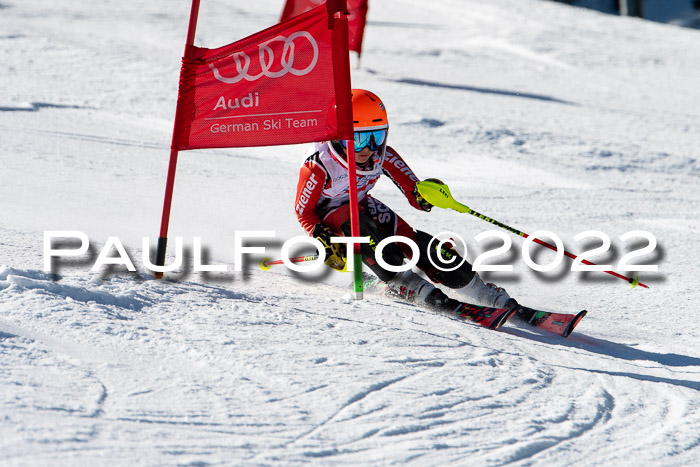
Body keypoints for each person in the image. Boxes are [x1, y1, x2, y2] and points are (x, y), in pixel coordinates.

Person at [294, 89, 518, 312]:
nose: (368, 149)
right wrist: (320, 235)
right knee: (364, 231)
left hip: (362, 203)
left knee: (415, 242)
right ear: (336, 135)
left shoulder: (383, 155)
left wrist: (426, 196)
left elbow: (414, 192)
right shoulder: (319, 166)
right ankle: (403, 282)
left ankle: (478, 290)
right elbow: (303, 211)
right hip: (332, 217)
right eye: (358, 139)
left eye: (376, 136)